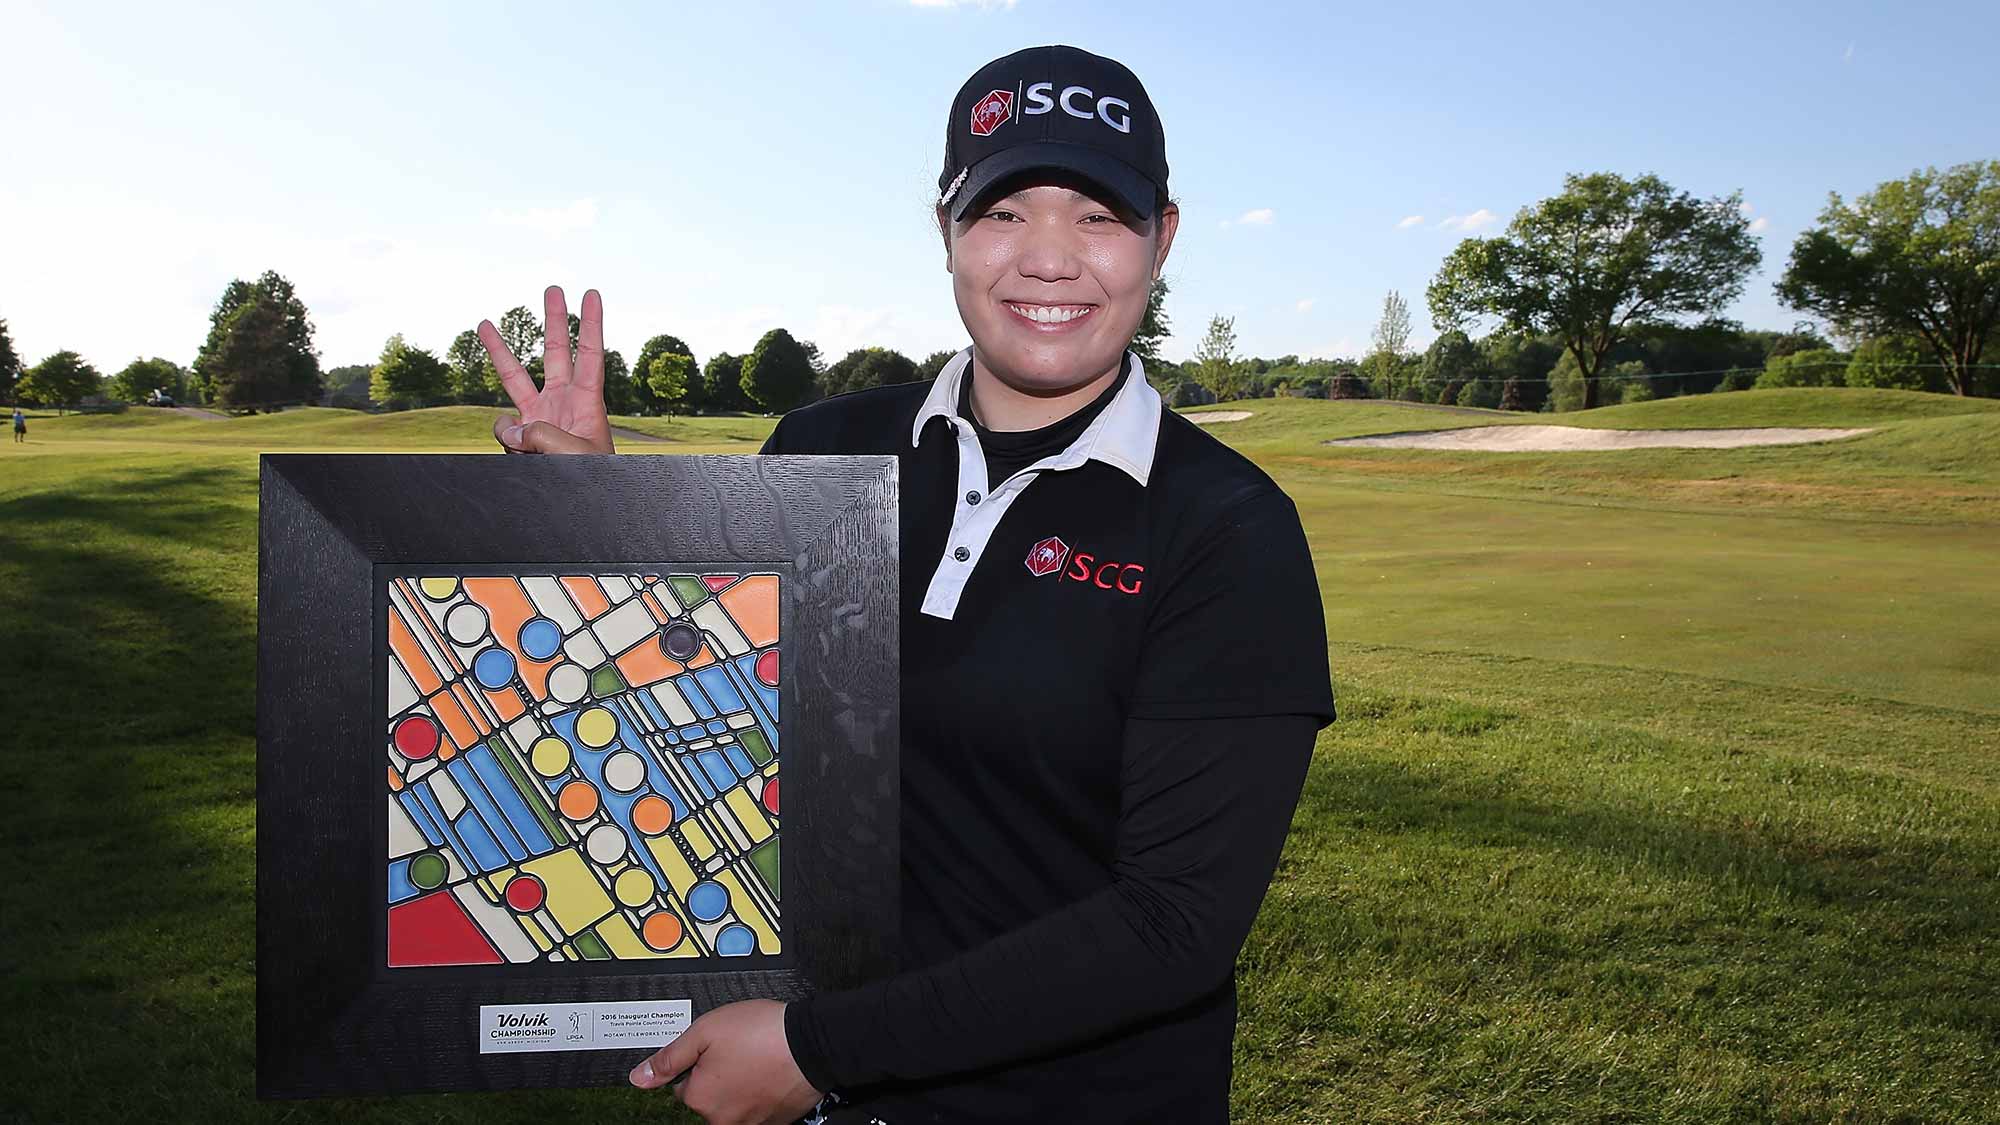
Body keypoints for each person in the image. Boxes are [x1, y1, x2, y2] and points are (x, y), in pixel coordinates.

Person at [477, 44, 1334, 1125]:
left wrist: (820, 1049)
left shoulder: (1226, 530)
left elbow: (1171, 924)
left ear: (1162, 238)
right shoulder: (816, 452)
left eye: (1098, 217)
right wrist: (595, 522)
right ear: (945, 230)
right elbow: (709, 710)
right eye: (1004, 212)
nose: (1049, 258)